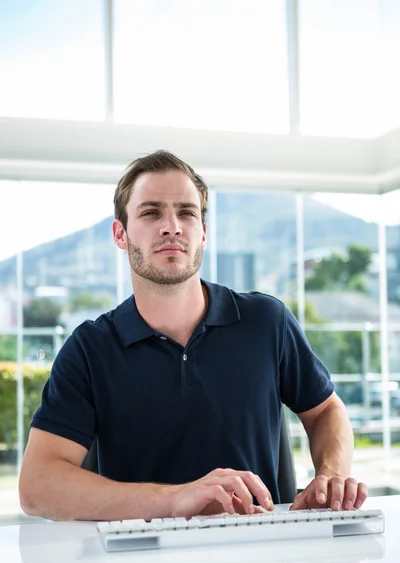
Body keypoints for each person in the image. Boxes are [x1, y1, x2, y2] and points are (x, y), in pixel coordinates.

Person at [19, 150, 367, 522]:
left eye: (186, 213)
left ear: (203, 232)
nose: (172, 226)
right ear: (120, 234)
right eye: (151, 213)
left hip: (262, 556)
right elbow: (38, 487)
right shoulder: (88, 349)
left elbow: (326, 410)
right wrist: (175, 500)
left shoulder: (267, 321)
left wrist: (330, 475)